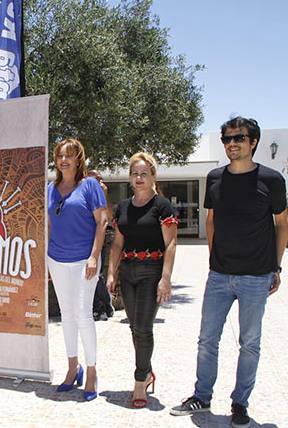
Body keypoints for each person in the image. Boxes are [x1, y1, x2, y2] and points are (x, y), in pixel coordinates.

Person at [170, 117, 288, 428]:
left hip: (256, 276)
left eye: (239, 138)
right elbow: (211, 220)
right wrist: (214, 257)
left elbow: (281, 224)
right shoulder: (215, 178)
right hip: (220, 275)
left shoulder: (271, 180)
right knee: (207, 340)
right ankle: (202, 396)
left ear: (253, 142)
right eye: (227, 139)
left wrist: (276, 266)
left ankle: (240, 403)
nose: (232, 144)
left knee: (249, 343)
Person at [107, 152, 178, 408]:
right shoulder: (124, 207)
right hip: (128, 271)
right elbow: (117, 243)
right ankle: (146, 370)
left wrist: (165, 278)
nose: (138, 178)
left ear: (153, 176)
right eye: (134, 174)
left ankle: (140, 381)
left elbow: (171, 243)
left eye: (144, 173)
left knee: (144, 328)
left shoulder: (162, 206)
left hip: (151, 271)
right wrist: (111, 273)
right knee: (134, 327)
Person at [48, 139, 108, 401]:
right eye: (60, 156)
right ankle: (73, 368)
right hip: (56, 259)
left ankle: (91, 372)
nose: (64, 160)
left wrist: (94, 257)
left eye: (69, 156)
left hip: (84, 260)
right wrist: (46, 260)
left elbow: (102, 222)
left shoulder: (90, 185)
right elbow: (49, 225)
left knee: (83, 314)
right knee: (67, 314)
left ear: (78, 159)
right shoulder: (50, 189)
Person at [87, 169, 115, 321]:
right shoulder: (83, 194)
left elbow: (109, 216)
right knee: (88, 275)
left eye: (101, 179)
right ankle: (99, 306)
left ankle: (103, 303)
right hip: (83, 241)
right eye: (96, 179)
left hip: (98, 240)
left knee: (97, 275)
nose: (100, 182)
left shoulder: (101, 197)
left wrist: (104, 196)